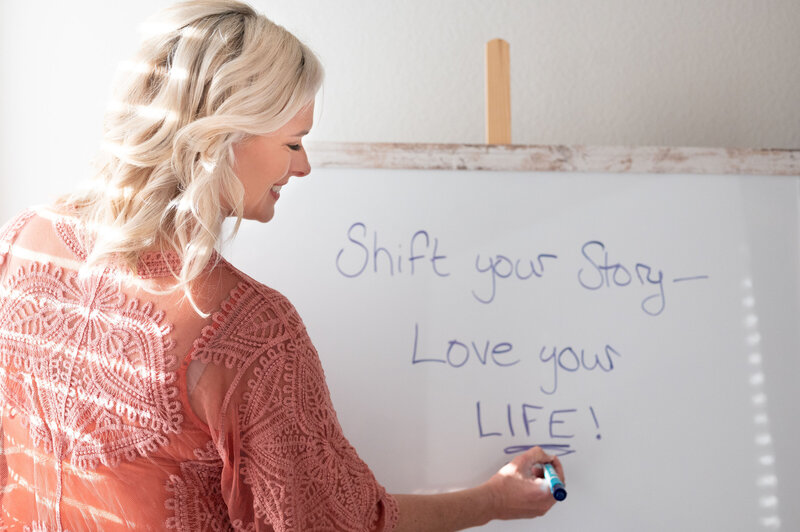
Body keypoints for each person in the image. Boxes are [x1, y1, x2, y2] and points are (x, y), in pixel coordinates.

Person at [0, 1, 565, 530]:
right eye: (294, 143)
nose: (305, 167)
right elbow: (338, 521)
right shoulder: (246, 330)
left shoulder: (26, 236)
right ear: (221, 140)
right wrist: (492, 501)